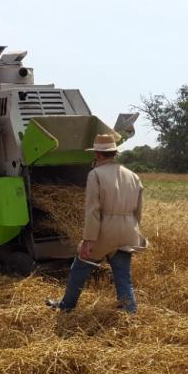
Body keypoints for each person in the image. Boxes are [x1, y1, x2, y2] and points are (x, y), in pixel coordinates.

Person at [46, 133, 147, 314]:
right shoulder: (133, 176)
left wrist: (88, 240)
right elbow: (138, 211)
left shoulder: (95, 174)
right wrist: (134, 232)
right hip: (129, 230)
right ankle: (130, 313)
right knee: (123, 275)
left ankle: (66, 306)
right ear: (114, 153)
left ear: (97, 154)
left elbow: (93, 210)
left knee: (80, 266)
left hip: (105, 230)